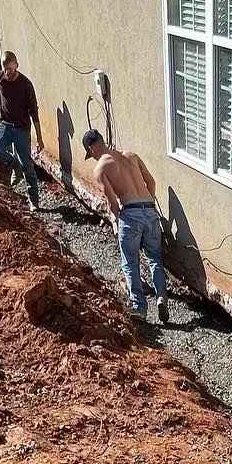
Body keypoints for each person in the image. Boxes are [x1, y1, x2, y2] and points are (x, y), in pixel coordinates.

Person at [82, 129, 167, 322]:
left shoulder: (100, 168)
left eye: (90, 154)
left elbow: (112, 202)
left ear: (92, 149)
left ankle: (139, 308)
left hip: (130, 214)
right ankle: (161, 296)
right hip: (150, 210)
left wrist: (117, 219)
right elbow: (151, 182)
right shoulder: (131, 155)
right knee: (154, 257)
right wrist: (148, 205)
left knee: (130, 262)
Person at [0, 51, 42, 210]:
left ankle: (33, 200)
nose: (8, 72)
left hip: (21, 128)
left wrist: (39, 139)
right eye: (5, 69)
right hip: (5, 124)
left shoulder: (25, 84)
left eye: (11, 69)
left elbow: (34, 113)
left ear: (17, 65)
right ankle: (15, 167)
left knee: (27, 165)